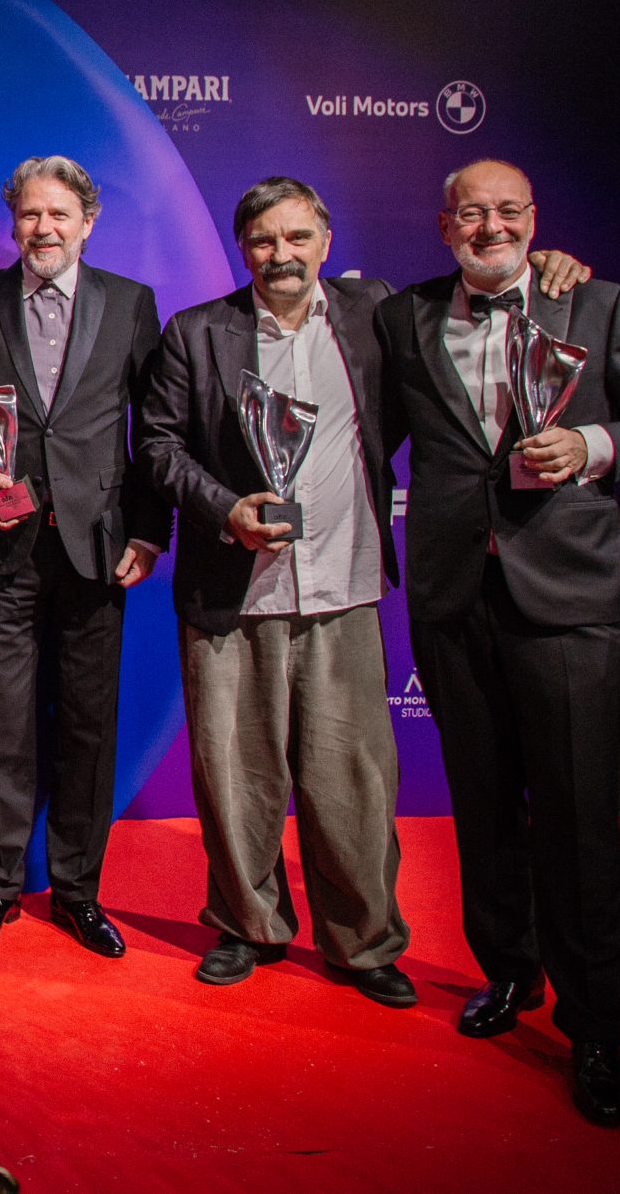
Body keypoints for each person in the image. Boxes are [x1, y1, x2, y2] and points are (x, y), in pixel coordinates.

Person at [377, 158, 620, 1128]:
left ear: (533, 221)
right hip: (451, 594)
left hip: (566, 598)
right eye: (471, 213)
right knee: (481, 803)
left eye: (507, 211)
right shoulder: (402, 319)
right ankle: (509, 973)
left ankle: (597, 1024)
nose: (489, 226)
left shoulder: (592, 304)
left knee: (576, 813)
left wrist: (593, 450)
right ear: (442, 225)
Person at [137, 177, 416, 1006]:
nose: (280, 254)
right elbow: (155, 443)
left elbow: (473, 306)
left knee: (353, 777)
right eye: (263, 240)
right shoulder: (198, 333)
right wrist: (227, 509)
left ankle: (364, 942)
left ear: (325, 240)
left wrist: (552, 267)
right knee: (234, 773)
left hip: (344, 583)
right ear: (243, 248)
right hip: (234, 587)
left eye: (297, 237)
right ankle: (244, 923)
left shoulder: (376, 317)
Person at [0, 155, 169, 959]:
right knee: (1, 726)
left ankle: (77, 891)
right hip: (4, 545)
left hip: (99, 548)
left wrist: (148, 530)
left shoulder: (131, 304)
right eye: (31, 215)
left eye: (59, 215)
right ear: (13, 223)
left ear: (87, 222)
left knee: (88, 728)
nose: (44, 228)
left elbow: (156, 429)